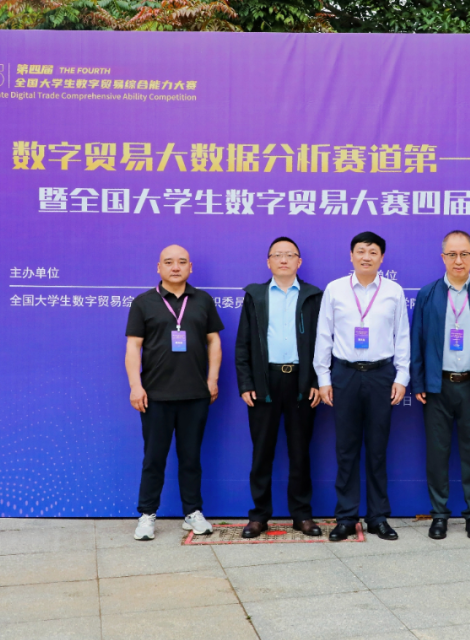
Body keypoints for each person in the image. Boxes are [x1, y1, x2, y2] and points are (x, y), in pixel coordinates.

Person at [314, 231, 411, 542]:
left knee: (378, 450)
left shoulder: (394, 291)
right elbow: (324, 335)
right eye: (360, 251)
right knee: (346, 449)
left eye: (372, 252)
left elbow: (402, 336)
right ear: (351, 255)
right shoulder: (335, 289)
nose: (366, 257)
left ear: (382, 258)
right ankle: (345, 517)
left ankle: (378, 517)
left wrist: (402, 376)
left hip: (381, 374)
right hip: (345, 374)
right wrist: (324, 378)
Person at [126, 245, 223, 541]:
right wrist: (135, 385)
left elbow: (214, 341)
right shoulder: (143, 302)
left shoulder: (203, 300)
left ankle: (192, 512)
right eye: (169, 262)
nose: (175, 267)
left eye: (182, 262)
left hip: (195, 394)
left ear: (190, 267)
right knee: (154, 458)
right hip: (155, 396)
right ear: (159, 267)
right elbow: (133, 346)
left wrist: (212, 379)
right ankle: (147, 515)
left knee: (191, 458)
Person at [410, 230, 470, 540]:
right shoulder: (428, 294)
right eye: (452, 254)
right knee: (437, 454)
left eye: (464, 254)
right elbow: (417, 341)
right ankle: (439, 515)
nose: (458, 260)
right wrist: (419, 382)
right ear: (443, 257)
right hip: (437, 386)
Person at [235, 237, 324, 538]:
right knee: (262, 452)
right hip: (265, 382)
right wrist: (246, 383)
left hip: (301, 382)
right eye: (277, 255)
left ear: (299, 261)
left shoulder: (313, 296)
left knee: (300, 452)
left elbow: (323, 343)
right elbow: (243, 343)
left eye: (289, 255)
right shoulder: (255, 295)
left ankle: (302, 515)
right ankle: (259, 516)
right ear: (268, 261)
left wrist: (316, 381)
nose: (283, 260)